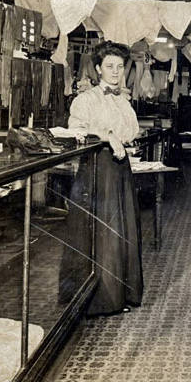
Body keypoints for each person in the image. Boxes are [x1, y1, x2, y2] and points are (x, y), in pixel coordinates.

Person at [59, 40, 143, 316]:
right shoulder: (86, 99)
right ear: (98, 69)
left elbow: (131, 130)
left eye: (120, 66)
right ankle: (99, 300)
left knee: (120, 230)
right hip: (96, 170)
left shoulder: (122, 100)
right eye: (110, 66)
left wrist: (124, 139)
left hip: (120, 171)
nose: (116, 71)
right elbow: (75, 131)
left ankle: (121, 295)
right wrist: (106, 135)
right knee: (100, 232)